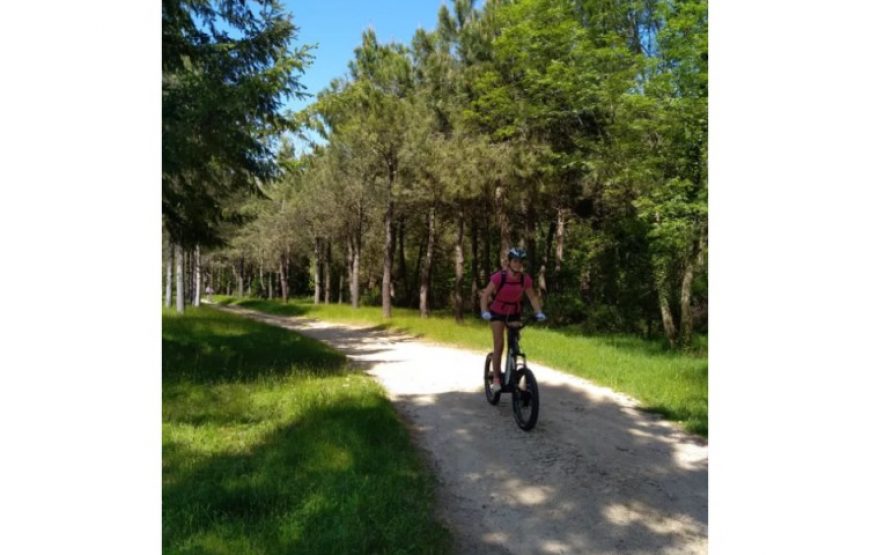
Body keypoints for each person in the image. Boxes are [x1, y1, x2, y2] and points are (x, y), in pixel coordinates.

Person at [479, 247, 546, 393]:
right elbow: (485, 295)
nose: (518, 264)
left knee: (514, 343)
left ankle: (513, 371)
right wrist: (485, 311)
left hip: (514, 313)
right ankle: (496, 378)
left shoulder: (524, 279)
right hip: (497, 312)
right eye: (515, 261)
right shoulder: (499, 277)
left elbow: (533, 297)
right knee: (499, 344)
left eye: (520, 262)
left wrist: (539, 312)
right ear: (509, 262)